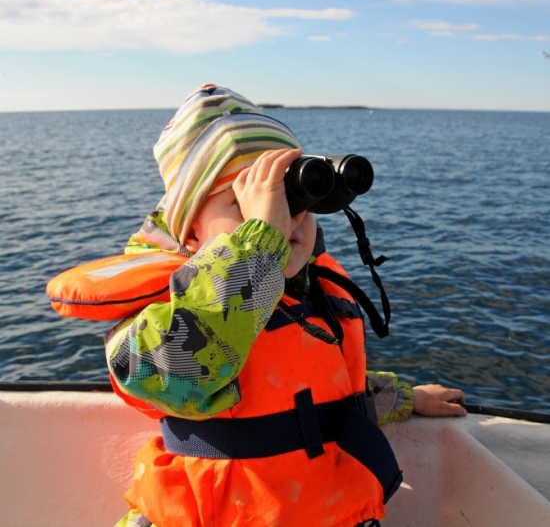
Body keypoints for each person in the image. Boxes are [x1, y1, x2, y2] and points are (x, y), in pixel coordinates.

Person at [106, 83, 466, 527]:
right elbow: (172, 372)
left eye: (296, 200)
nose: (283, 217)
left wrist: (402, 397)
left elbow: (320, 396)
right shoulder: (164, 311)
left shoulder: (308, 292)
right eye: (247, 205)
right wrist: (257, 250)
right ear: (192, 233)